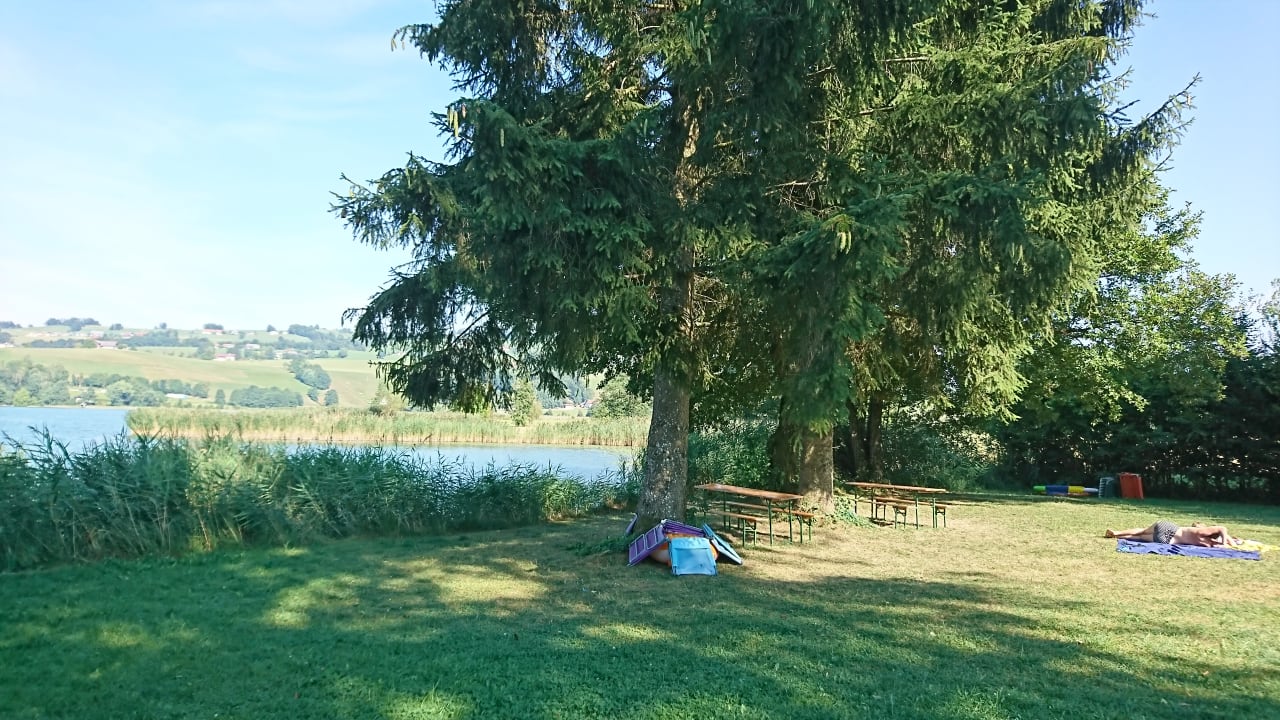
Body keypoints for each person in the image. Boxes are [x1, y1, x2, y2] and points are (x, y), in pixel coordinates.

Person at [1104, 520, 1240, 547]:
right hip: (1168, 540)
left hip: (1170, 528)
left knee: (1141, 530)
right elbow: (1223, 535)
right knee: (1140, 537)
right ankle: (1116, 535)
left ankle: (1117, 533)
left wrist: (1226, 539)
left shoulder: (1200, 530)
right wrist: (1227, 542)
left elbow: (1222, 528)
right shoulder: (1207, 543)